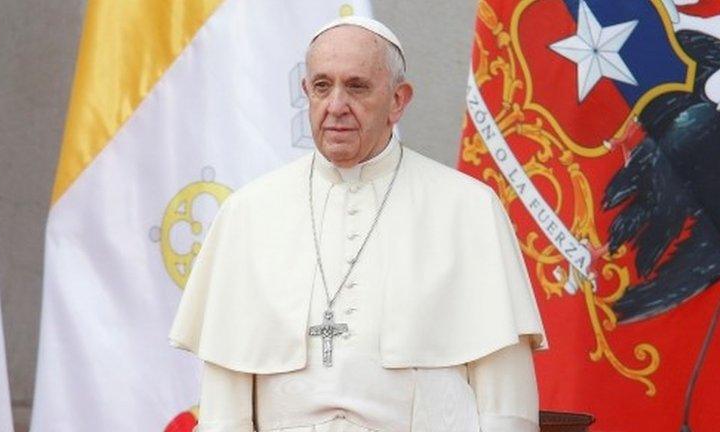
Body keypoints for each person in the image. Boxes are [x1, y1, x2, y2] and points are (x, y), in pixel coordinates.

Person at [170, 15, 546, 432]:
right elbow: (225, 407)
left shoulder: (469, 209)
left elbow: (505, 403)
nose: (335, 106)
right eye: (321, 86)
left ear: (398, 100)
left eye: (357, 86)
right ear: (305, 92)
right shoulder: (247, 214)